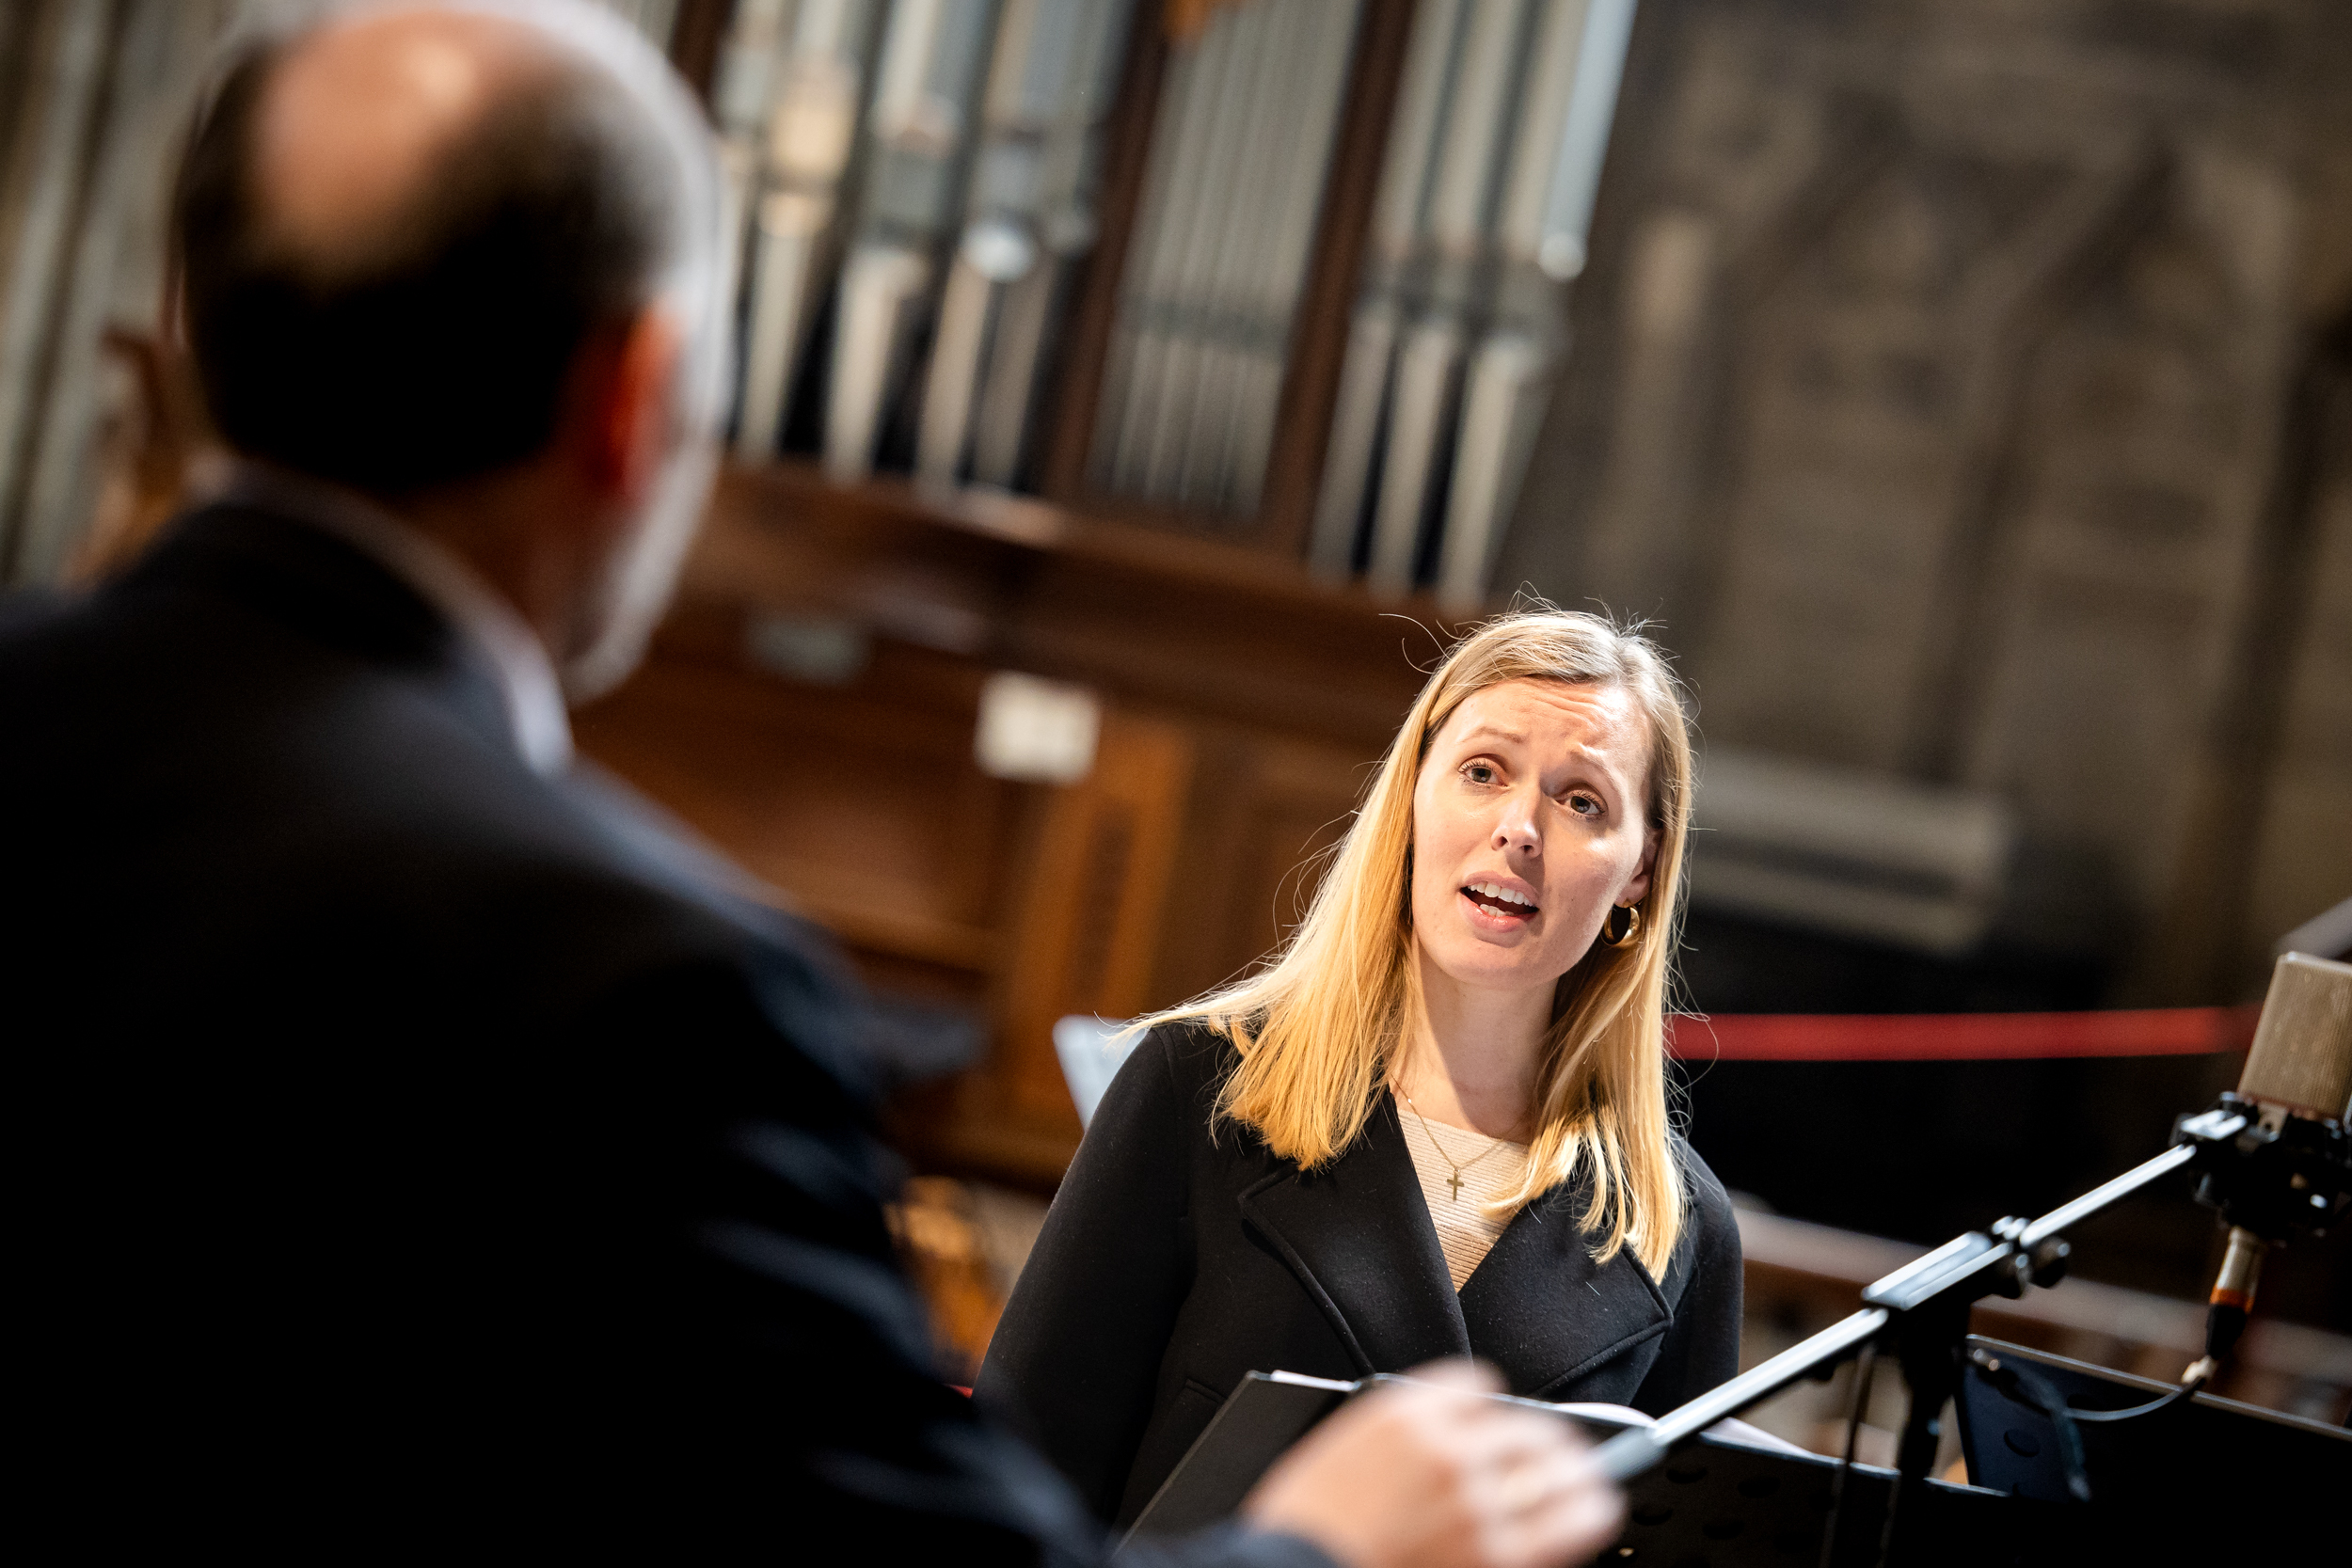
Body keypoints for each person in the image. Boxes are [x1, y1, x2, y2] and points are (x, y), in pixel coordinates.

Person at [0, 4, 1623, 1563]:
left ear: (194, 325)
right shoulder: (643, 989)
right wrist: (1331, 1543)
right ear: (632, 404)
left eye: (1585, 800)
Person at [978, 612, 1744, 1526]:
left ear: (1641, 869)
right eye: (1483, 771)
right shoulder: (1201, 1085)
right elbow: (1017, 1476)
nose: (1520, 828)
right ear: (1412, 794)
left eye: (1582, 801)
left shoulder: (1680, 1224)